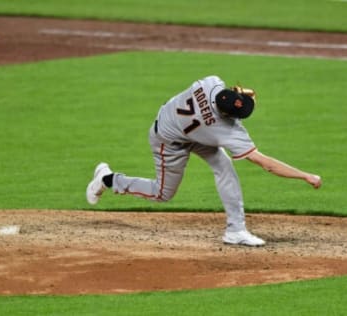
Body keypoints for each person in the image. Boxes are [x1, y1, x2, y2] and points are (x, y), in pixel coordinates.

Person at [86, 75, 322, 247]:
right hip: (168, 141)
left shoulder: (209, 83)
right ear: (228, 116)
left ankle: (236, 230)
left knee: (225, 167)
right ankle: (108, 179)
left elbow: (225, 98)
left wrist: (236, 98)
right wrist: (305, 175)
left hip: (189, 129)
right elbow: (266, 164)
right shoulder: (226, 130)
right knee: (162, 194)